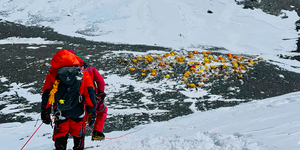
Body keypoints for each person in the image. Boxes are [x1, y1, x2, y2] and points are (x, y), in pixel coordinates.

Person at [40, 50, 96, 150]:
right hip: (78, 109)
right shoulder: (82, 72)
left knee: (61, 134)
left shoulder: (52, 73)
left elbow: (47, 94)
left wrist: (45, 111)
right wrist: (91, 110)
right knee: (78, 133)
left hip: (60, 110)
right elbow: (89, 93)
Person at [66, 49, 108, 141]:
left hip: (74, 99)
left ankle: (77, 138)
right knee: (102, 111)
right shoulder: (90, 69)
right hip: (92, 97)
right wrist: (100, 93)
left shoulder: (67, 70)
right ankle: (97, 132)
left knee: (81, 119)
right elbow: (100, 81)